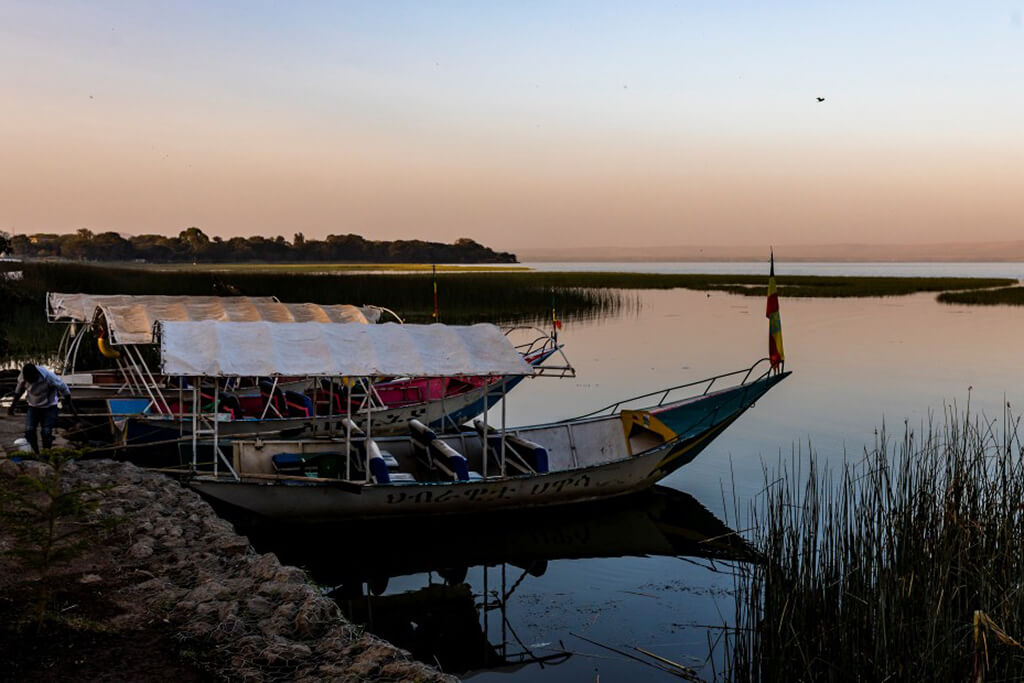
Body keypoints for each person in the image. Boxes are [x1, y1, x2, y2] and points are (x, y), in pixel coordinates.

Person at [6, 362, 76, 453]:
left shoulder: (49, 377)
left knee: (46, 432)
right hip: (33, 405)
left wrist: (71, 407)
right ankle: (36, 453)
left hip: (49, 406)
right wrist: (12, 406)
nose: (30, 382)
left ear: (36, 375)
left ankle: (46, 452)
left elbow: (64, 389)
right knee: (29, 430)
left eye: (32, 380)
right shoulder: (23, 376)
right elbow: (19, 391)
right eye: (28, 380)